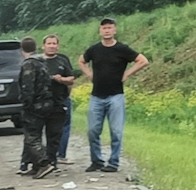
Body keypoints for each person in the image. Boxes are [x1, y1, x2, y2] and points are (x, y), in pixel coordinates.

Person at [79, 18, 148, 172]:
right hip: (96, 96)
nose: (107, 31)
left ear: (115, 30)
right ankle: (96, 160)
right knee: (92, 131)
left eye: (110, 28)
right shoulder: (94, 49)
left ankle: (113, 162)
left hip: (116, 96)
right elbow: (81, 61)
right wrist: (89, 74)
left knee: (116, 131)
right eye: (104, 28)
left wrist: (128, 73)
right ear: (100, 31)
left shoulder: (122, 49)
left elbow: (143, 60)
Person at [16, 37, 59, 179]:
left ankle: (43, 163)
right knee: (37, 135)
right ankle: (35, 166)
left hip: (35, 105)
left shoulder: (29, 64)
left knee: (31, 137)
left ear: (22, 49)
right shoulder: (42, 62)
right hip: (47, 102)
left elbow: (28, 87)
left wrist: (26, 104)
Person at [41, 34, 77, 163]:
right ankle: (44, 157)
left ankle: (61, 155)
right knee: (44, 129)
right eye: (49, 44)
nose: (52, 46)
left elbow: (71, 79)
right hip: (43, 101)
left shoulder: (63, 60)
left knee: (62, 128)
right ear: (43, 46)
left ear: (58, 46)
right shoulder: (38, 61)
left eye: (54, 44)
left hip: (61, 100)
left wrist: (61, 79)